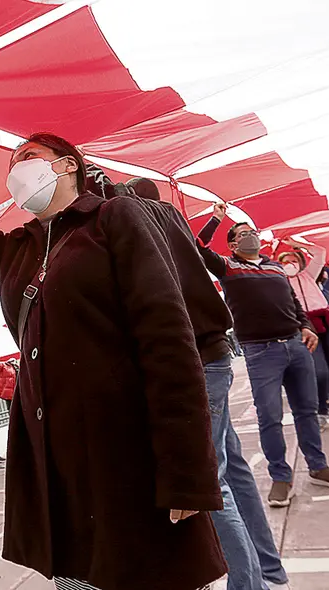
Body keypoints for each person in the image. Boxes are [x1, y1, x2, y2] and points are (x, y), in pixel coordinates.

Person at [0, 94, 224, 590]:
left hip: (126, 451)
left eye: (27, 157)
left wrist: (187, 471)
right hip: (57, 458)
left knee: (148, 571)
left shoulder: (115, 220)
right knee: (78, 573)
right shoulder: (16, 252)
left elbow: (167, 341)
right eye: (12, 163)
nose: (15, 169)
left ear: (68, 166)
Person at [127, 179, 289, 590]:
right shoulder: (176, 230)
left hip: (198, 360)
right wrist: (214, 220)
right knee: (232, 470)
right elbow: (199, 248)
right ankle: (267, 571)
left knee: (210, 480)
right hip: (215, 355)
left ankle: (250, 584)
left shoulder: (143, 238)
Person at [197, 203, 329, 508]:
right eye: (243, 234)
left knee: (306, 411)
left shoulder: (276, 267)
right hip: (261, 352)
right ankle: (281, 477)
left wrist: (305, 326)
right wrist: (216, 218)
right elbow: (196, 246)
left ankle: (318, 466)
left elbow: (294, 303)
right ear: (232, 245)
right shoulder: (228, 267)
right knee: (269, 417)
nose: (250, 237)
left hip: (296, 346)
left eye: (252, 232)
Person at [277, 245, 329, 429]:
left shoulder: (309, 274)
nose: (290, 264)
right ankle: (322, 412)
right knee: (319, 372)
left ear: (300, 263)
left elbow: (320, 253)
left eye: (293, 261)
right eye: (285, 262)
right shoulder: (280, 281)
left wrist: (298, 244)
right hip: (306, 327)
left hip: (327, 322)